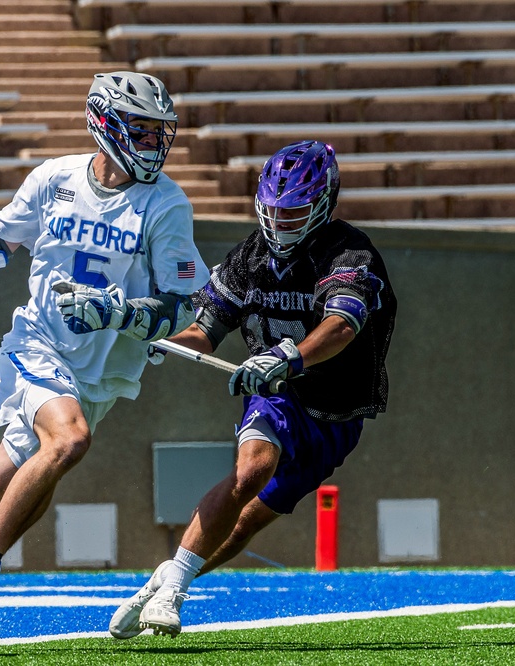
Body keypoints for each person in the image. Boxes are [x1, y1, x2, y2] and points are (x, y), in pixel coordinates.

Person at [0, 71, 210, 637]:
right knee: (69, 439)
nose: (155, 144)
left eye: (158, 133)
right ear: (106, 125)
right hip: (37, 346)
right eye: (142, 132)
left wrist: (119, 313)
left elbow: (183, 306)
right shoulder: (54, 178)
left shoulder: (166, 205)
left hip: (99, 373)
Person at [109, 139, 397, 639]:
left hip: (336, 412)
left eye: (296, 212)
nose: (281, 223)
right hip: (277, 393)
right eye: (274, 211)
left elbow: (342, 326)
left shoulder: (349, 252)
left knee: (244, 523)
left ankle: (168, 574)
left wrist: (289, 354)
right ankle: (177, 589)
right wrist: (142, 331)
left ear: (325, 203)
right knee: (252, 471)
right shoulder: (250, 255)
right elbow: (205, 330)